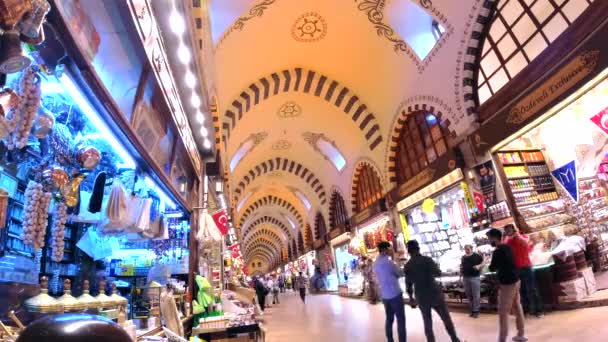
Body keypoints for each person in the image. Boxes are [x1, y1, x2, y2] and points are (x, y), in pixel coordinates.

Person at [404, 240, 461, 342]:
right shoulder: (427, 260)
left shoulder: (407, 265)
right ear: (418, 248)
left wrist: (411, 299)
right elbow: (438, 273)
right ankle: (455, 339)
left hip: (421, 296)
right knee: (446, 319)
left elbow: (408, 285)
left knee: (427, 323)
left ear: (408, 251)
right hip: (435, 293)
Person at [486, 228, 527, 342]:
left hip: (507, 284)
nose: (489, 241)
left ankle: (502, 339)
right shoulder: (508, 247)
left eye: (489, 238)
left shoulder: (498, 251)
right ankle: (521, 334)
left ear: (494, 238)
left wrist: (489, 263)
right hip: (516, 280)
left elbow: (492, 267)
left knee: (503, 312)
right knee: (517, 307)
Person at [504, 223, 543, 317]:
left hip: (526, 266)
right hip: (515, 268)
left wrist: (516, 235)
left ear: (514, 229)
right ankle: (526, 310)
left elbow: (525, 243)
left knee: (532, 289)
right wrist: (507, 238)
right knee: (521, 291)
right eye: (506, 230)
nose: (508, 231)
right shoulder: (507, 240)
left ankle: (538, 311)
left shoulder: (523, 236)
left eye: (510, 229)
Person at [373, 241, 406, 342]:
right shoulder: (388, 262)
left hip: (385, 296)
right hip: (395, 294)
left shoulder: (376, 263)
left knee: (389, 319)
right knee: (400, 320)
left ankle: (390, 340)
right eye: (389, 248)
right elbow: (400, 273)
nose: (390, 250)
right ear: (385, 249)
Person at [461, 244, 483, 318]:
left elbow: (483, 263)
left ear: (471, 249)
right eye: (465, 249)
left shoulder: (477, 256)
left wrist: (479, 268)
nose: (466, 250)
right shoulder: (463, 257)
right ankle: (472, 310)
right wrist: (460, 275)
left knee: (476, 295)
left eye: (468, 249)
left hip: (475, 277)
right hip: (465, 278)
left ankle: (476, 311)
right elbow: (462, 266)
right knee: (469, 295)